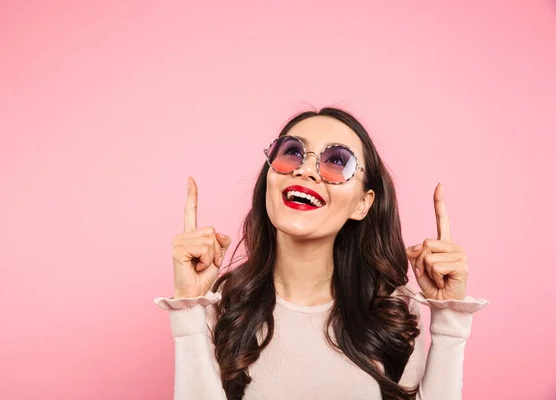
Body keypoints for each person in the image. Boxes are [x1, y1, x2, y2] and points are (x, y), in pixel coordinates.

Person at [155, 107, 488, 400]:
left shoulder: (392, 312)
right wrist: (188, 306)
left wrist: (450, 323)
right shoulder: (224, 307)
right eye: (292, 153)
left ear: (363, 203)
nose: (306, 170)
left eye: (337, 161)